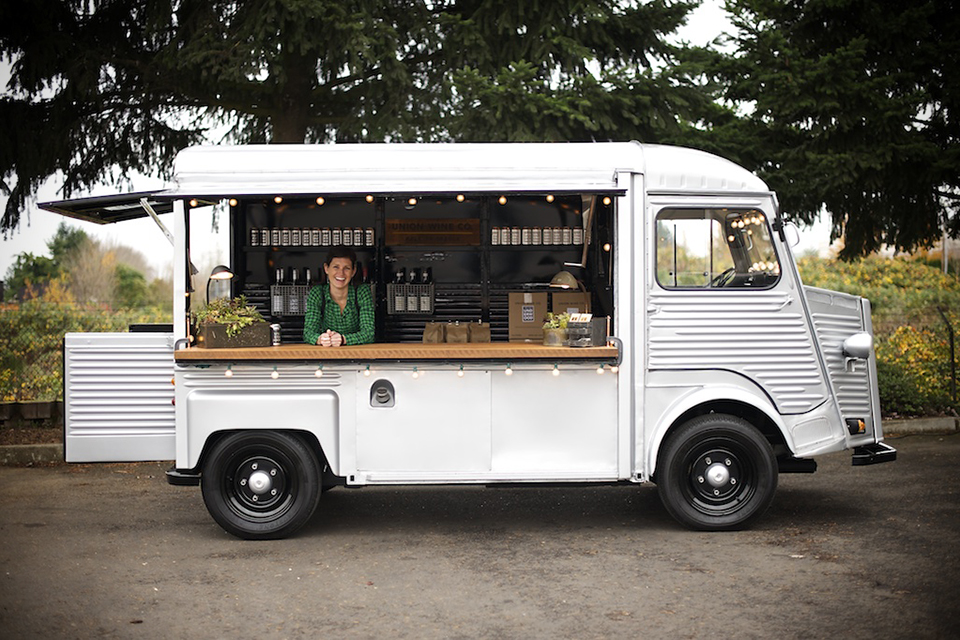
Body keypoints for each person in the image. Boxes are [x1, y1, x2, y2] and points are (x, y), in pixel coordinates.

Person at [302, 246, 375, 346]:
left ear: (353, 271)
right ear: (326, 268)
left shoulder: (362, 292)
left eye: (347, 268)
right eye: (336, 267)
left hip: (358, 355)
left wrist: (343, 339)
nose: (341, 273)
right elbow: (308, 333)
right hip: (326, 355)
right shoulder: (318, 293)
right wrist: (321, 339)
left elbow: (369, 334)